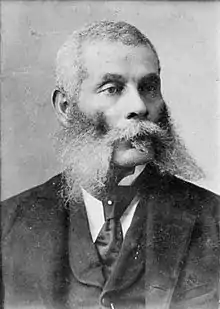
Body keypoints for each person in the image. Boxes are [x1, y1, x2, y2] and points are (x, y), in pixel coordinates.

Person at [1, 20, 219, 309]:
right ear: (66, 108)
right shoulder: (8, 225)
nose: (139, 106)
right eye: (112, 88)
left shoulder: (214, 220)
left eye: (149, 87)